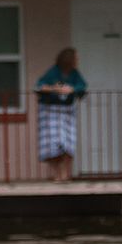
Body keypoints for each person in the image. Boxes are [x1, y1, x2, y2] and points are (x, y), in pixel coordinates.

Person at [35, 48, 88, 182]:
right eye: (76, 58)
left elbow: (82, 86)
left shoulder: (74, 74)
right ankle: (57, 173)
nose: (78, 61)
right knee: (53, 143)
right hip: (50, 110)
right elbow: (39, 86)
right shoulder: (53, 72)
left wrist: (72, 89)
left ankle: (66, 173)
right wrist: (55, 88)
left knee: (68, 142)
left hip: (67, 111)